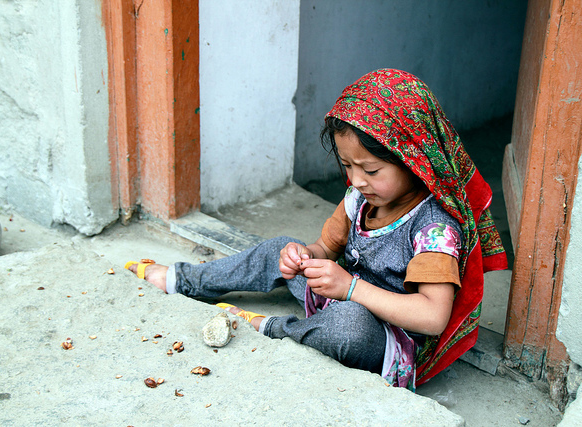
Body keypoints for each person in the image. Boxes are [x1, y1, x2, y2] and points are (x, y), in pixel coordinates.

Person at [125, 69, 507, 390]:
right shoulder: (360, 197)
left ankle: (275, 327)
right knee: (278, 246)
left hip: (385, 336)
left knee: (349, 325)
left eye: (371, 170)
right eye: (347, 166)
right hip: (337, 296)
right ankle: (184, 280)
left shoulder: (434, 229)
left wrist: (351, 288)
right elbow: (324, 247)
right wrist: (304, 257)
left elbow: (432, 317)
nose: (356, 180)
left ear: (415, 160)